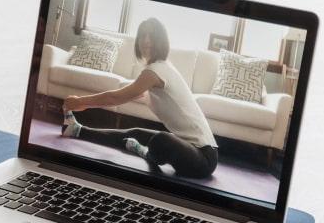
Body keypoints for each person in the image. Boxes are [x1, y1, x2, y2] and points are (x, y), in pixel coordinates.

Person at [60, 18, 219, 179]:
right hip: (185, 147)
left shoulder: (157, 70)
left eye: (152, 36)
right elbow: (125, 93)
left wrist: (81, 102)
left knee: (161, 139)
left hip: (204, 158)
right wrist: (90, 102)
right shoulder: (156, 69)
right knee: (136, 133)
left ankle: (145, 153)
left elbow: (116, 98)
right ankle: (77, 130)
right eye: (143, 36)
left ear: (161, 41)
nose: (146, 41)